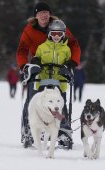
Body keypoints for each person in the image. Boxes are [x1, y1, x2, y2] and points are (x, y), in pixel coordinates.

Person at [16, 2, 81, 148]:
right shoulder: (29, 30)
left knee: (58, 100)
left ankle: (63, 130)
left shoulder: (58, 26)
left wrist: (72, 63)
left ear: (49, 14)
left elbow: (73, 44)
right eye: (40, 13)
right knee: (33, 100)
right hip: (38, 69)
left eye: (46, 12)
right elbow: (22, 50)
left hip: (59, 69)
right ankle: (28, 129)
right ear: (36, 16)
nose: (44, 15)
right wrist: (25, 67)